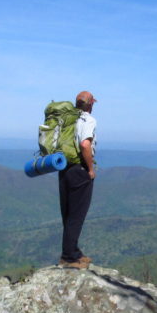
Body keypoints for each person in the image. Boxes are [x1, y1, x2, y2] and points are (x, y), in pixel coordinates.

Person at [58, 90, 97, 268]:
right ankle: (69, 257)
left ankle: (72, 251)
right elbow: (85, 144)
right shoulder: (88, 120)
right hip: (80, 170)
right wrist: (90, 169)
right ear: (89, 104)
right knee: (77, 214)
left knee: (67, 213)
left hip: (63, 168)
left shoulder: (67, 119)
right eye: (93, 103)